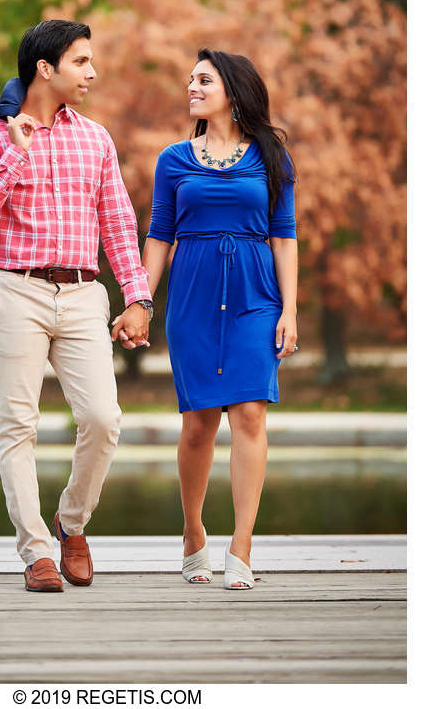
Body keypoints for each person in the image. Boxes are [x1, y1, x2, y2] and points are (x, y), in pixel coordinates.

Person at [0, 20, 153, 592]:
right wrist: (15, 155)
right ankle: (36, 551)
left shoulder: (95, 138)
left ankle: (71, 522)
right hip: (14, 291)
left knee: (102, 419)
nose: (93, 72)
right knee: (18, 426)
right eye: (82, 62)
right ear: (46, 68)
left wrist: (137, 298)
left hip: (84, 295)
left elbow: (116, 223)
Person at [140, 49, 298, 590]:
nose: (192, 86)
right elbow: (160, 234)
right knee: (198, 423)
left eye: (203, 79)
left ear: (233, 89)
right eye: (190, 79)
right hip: (194, 299)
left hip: (257, 295)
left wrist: (290, 310)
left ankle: (242, 545)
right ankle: (192, 531)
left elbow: (284, 234)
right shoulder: (173, 160)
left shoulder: (272, 157)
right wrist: (141, 299)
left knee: (250, 414)